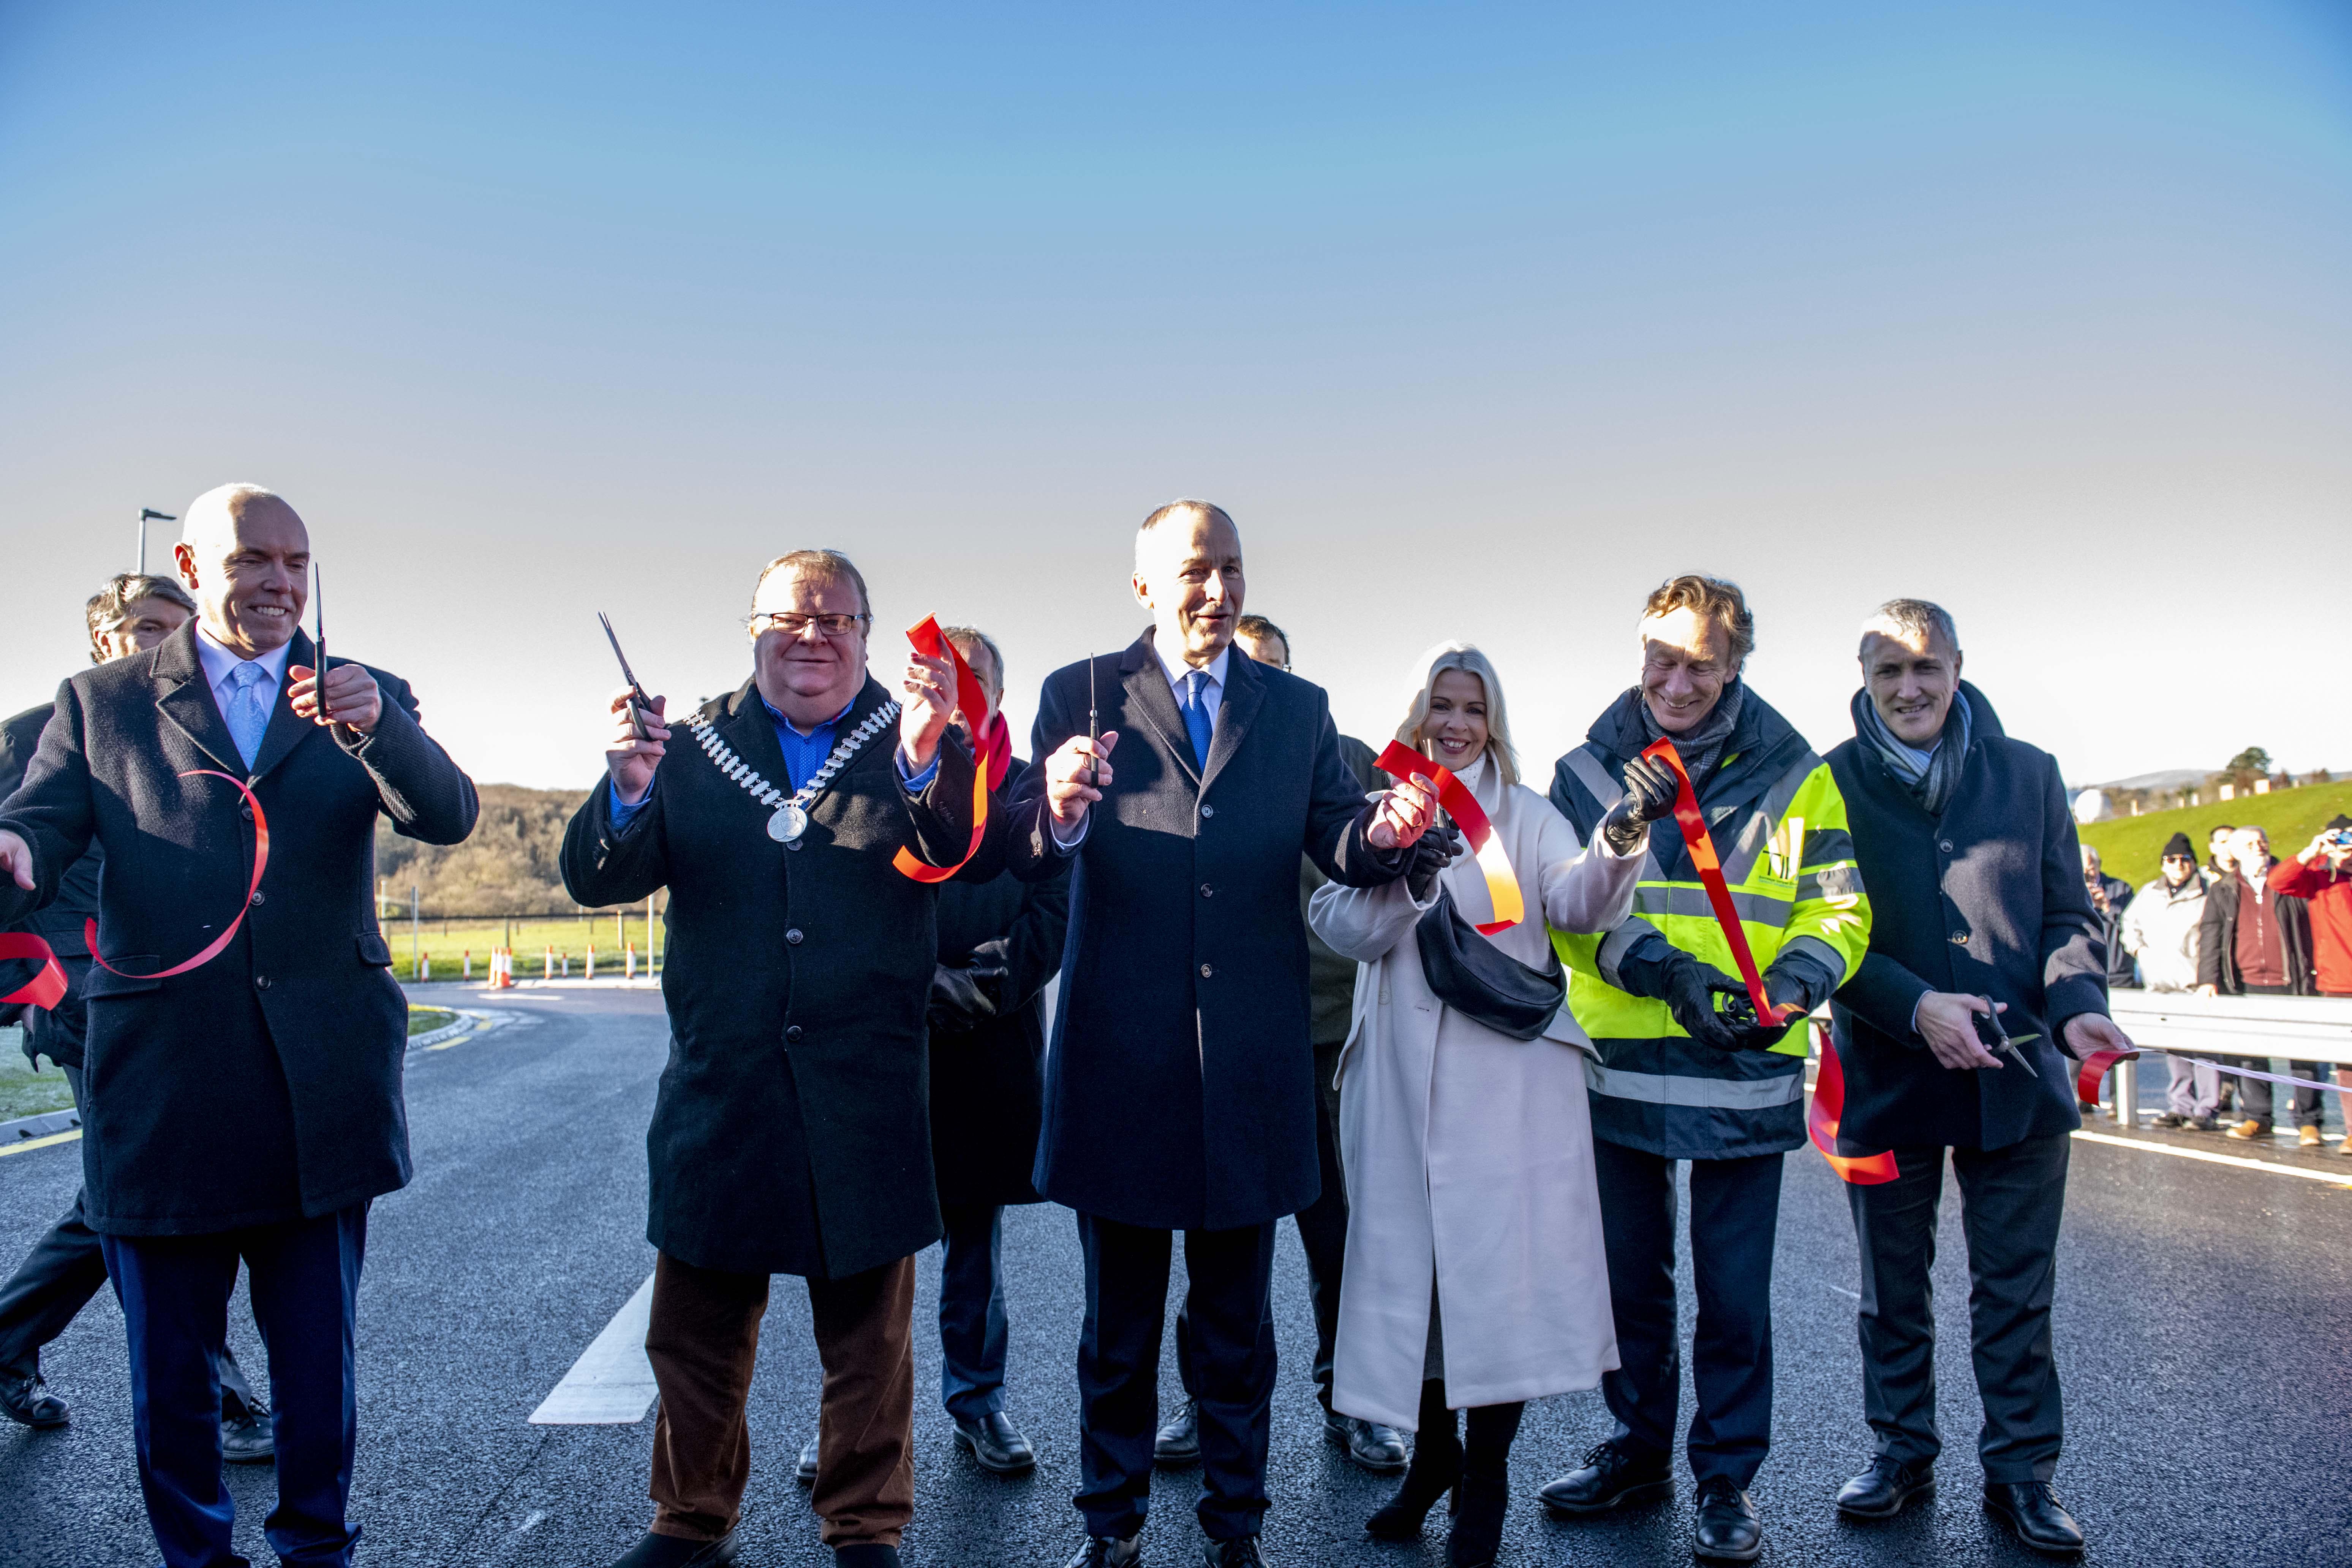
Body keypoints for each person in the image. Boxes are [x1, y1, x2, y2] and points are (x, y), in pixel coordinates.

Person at [0, 484, 479, 1568]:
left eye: (296, 564)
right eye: (252, 560)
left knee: (317, 1366)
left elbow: (446, 813)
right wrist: (14, 857)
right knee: (170, 1376)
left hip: (323, 1085)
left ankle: (318, 1547)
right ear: (192, 561)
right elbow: (33, 831)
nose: (277, 583)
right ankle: (197, 1558)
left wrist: (382, 729)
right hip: (164, 1084)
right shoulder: (103, 702)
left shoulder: (363, 690)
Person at [1005, 501, 1436, 1568]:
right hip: (1122, 1063)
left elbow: (1336, 832)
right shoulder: (1082, 692)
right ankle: (1111, 1526)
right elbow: (1033, 840)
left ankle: (1236, 1528)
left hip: (1251, 1066)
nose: (1218, 589)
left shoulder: (1298, 708)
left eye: (1233, 568)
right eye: (1197, 569)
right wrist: (1059, 808)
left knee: (1237, 1330)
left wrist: (1379, 836)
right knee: (1119, 1330)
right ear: (1146, 583)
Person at [559, 548, 997, 1568]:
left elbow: (962, 857)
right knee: (698, 1333)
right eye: (790, 618)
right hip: (727, 1086)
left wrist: (934, 759)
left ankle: (864, 1524)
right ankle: (692, 1520)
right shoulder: (687, 744)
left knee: (870, 1346)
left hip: (868, 1089)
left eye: (837, 620)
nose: (813, 636)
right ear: (752, 628)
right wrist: (627, 789)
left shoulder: (918, 738)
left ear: (865, 635)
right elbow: (594, 880)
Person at [1536, 574, 1870, 1566]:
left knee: (1734, 1297)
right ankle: (1637, 1455)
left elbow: (1840, 910)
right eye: (1662, 658)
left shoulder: (1798, 776)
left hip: (1748, 1061)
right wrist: (1666, 973)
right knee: (1629, 1291)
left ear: (1735, 666)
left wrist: (1797, 984)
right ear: (1640, 650)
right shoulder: (1588, 772)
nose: (1677, 682)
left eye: (1701, 664)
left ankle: (1725, 1484)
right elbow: (1566, 913)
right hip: (1624, 1061)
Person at [1307, 643, 1666, 1567]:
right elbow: (1336, 923)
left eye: (1471, 706)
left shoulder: (1528, 811)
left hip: (1506, 1085)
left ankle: (1484, 1478)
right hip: (1397, 1078)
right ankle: (1431, 1454)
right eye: (1441, 704)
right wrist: (1408, 871)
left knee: (1492, 1286)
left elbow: (1577, 907)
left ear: (1492, 717)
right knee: (1414, 1283)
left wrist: (1620, 835)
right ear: (1416, 713)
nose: (1455, 722)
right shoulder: (1374, 805)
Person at [1822, 599, 2128, 1558]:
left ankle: (2020, 1473)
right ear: (1864, 678)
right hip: (1883, 1072)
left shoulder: (2029, 773)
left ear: (1957, 666)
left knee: (2014, 1291)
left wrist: (2077, 997)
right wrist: (1916, 1006)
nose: (1908, 688)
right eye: (1888, 672)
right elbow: (1823, 932)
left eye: (1925, 667)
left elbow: (2067, 914)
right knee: (1889, 1285)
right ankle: (1900, 1448)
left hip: (2020, 1068)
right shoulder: (1824, 784)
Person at [0, 574, 271, 1456]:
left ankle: (8, 1339)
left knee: (133, 1195)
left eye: (173, 627)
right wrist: (46, 988)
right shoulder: (30, 735)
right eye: (142, 627)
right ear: (103, 641)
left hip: (178, 1001)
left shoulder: (202, 733)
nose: (160, 642)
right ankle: (219, 1397)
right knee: (149, 1196)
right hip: (77, 996)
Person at [1151, 613, 1405, 1477]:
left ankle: (1355, 1403)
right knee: (1223, 1243)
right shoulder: (1184, 770)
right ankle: (1206, 1400)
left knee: (1342, 1239)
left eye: (1266, 672)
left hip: (1330, 1035)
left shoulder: (1344, 758)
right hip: (1226, 1044)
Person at [921, 624, 1067, 1472]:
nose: (959, 691)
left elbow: (1053, 916)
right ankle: (851, 1418)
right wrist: (909, 990)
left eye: (974, 678)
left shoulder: (1031, 792)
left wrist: (967, 989)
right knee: (866, 1257)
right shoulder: (878, 784)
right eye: (942, 677)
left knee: (973, 1241)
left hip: (990, 1042)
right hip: (887, 1047)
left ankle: (978, 1401)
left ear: (999, 697)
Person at [2198, 825, 2325, 1145]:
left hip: (2292, 980)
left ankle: (2309, 1122)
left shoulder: (2289, 879)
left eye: (2263, 842)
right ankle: (2258, 1117)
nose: (2259, 847)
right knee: (2250, 1056)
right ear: (2236, 853)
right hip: (2246, 983)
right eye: (2251, 844)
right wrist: (2207, 979)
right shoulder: (2224, 889)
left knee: (2303, 1054)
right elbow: (2212, 935)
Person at [2120, 832, 2220, 1128]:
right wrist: (2138, 949)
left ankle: (2208, 1108)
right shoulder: (2150, 893)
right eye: (2172, 860)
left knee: (2204, 1050)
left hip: (2194, 985)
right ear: (2164, 864)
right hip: (2160, 986)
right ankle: (2181, 1105)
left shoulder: (2207, 893)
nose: (2178, 865)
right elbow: (2128, 924)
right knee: (2175, 1050)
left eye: (2185, 860)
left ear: (2193, 864)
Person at [2268, 816, 2352, 1154]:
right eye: (2340, 838)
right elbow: (2280, 882)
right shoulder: (2321, 874)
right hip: (2339, 983)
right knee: (2348, 1065)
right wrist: (2312, 852)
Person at [2080, 846, 2135, 989]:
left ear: (2100, 865)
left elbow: (2133, 927)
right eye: (2082, 869)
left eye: (2091, 869)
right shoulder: (2069, 892)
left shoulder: (2121, 889)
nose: (2087, 875)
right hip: (2084, 975)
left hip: (2118, 975)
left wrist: (2107, 908)